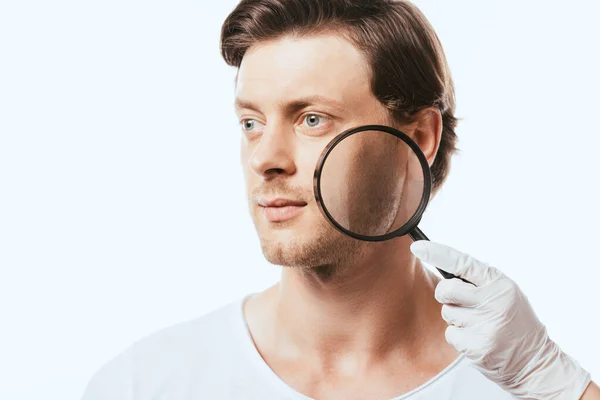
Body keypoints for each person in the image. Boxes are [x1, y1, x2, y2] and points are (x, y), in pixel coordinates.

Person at [81, 0, 599, 399]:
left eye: (312, 119)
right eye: (251, 123)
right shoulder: (146, 384)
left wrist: (555, 384)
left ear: (419, 137)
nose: (266, 158)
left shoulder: (519, 378)